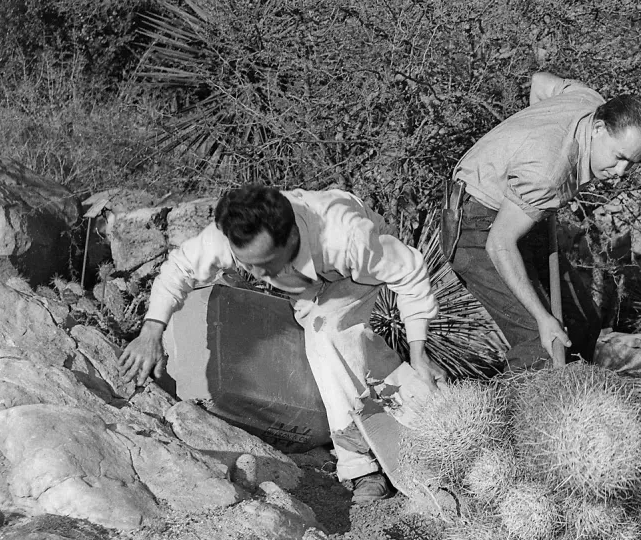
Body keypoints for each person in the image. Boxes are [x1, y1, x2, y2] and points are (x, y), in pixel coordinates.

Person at [120, 185, 443, 503]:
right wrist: (151, 333)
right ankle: (415, 397)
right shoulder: (228, 237)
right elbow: (178, 269)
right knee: (329, 336)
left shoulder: (347, 238)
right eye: (247, 263)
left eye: (265, 263)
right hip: (304, 283)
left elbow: (410, 273)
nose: (257, 273)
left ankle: (361, 466)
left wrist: (419, 354)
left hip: (350, 276)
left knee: (327, 333)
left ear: (290, 238)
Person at [446, 73, 641, 368]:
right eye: (619, 156)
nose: (621, 171)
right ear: (598, 128)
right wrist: (542, 318)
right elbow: (499, 243)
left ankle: (571, 405)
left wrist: (534, 133)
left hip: (521, 212)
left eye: (632, 163)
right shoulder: (549, 175)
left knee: (582, 323)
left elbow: (540, 83)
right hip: (476, 226)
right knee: (542, 341)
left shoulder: (589, 99)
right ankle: (516, 412)